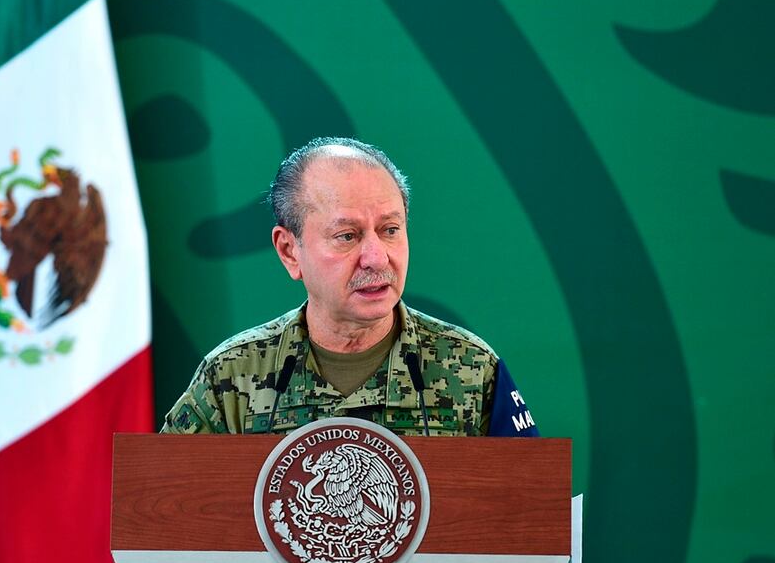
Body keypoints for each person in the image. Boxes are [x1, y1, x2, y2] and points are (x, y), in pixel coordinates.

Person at [161, 137, 538, 437]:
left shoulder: (472, 369)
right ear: (289, 251)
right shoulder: (231, 374)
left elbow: (530, 519)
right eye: (347, 236)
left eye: (390, 230)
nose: (376, 257)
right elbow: (161, 517)